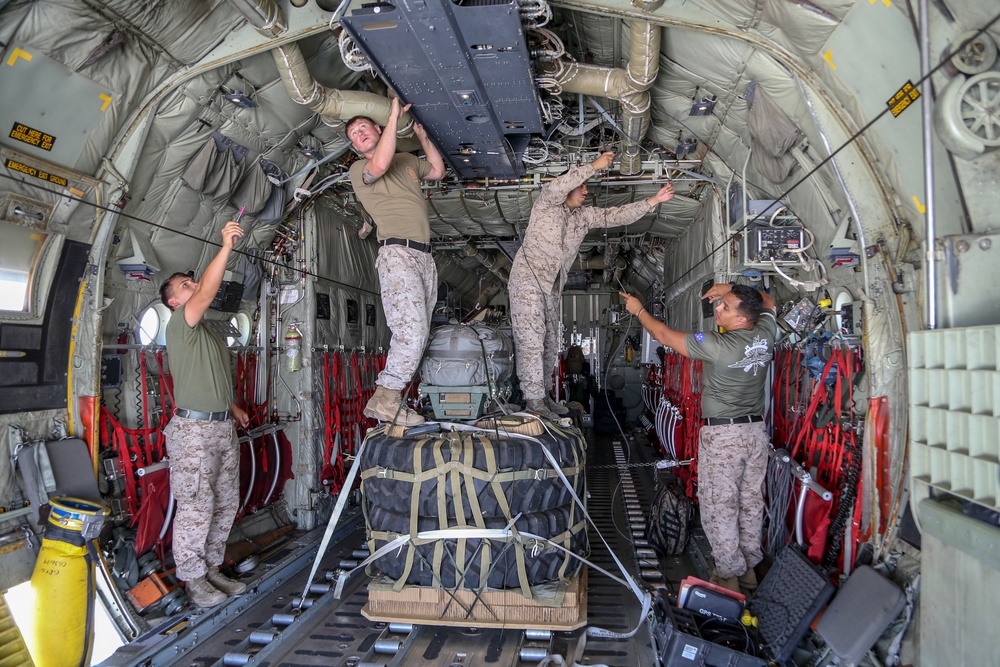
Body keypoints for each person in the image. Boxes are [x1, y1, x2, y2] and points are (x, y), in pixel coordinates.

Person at [621, 283, 776, 593]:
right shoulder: (765, 335)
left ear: (744, 319)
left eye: (726, 307)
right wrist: (730, 289)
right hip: (756, 433)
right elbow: (769, 301)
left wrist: (638, 310)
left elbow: (664, 336)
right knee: (749, 501)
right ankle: (749, 570)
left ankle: (727, 575)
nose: (717, 308)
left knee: (720, 504)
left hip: (724, 436)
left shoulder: (720, 345)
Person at [509, 151, 674, 418]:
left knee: (551, 342)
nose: (586, 191)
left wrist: (653, 200)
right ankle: (533, 400)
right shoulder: (547, 204)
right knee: (532, 340)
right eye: (582, 186)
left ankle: (544, 397)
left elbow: (617, 215)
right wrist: (594, 166)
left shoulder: (583, 217)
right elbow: (557, 186)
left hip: (551, 286)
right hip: (527, 281)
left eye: (587, 187)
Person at [159, 220, 251, 608]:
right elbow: (210, 288)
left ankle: (212, 568)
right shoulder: (182, 324)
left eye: (192, 282)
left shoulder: (208, 331)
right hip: (193, 432)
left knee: (225, 501)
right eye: (186, 285)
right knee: (197, 505)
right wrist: (225, 247)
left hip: (219, 426)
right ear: (174, 302)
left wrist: (231, 407)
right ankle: (193, 579)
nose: (194, 286)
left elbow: (208, 373)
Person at [346, 98, 446, 426]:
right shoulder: (359, 169)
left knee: (421, 331)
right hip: (397, 254)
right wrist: (392, 116)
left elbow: (437, 170)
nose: (359, 134)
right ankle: (386, 397)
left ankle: (391, 397)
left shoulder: (405, 159)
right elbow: (379, 164)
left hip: (423, 257)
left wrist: (423, 137)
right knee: (411, 331)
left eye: (363, 127)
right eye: (353, 134)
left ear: (377, 129)